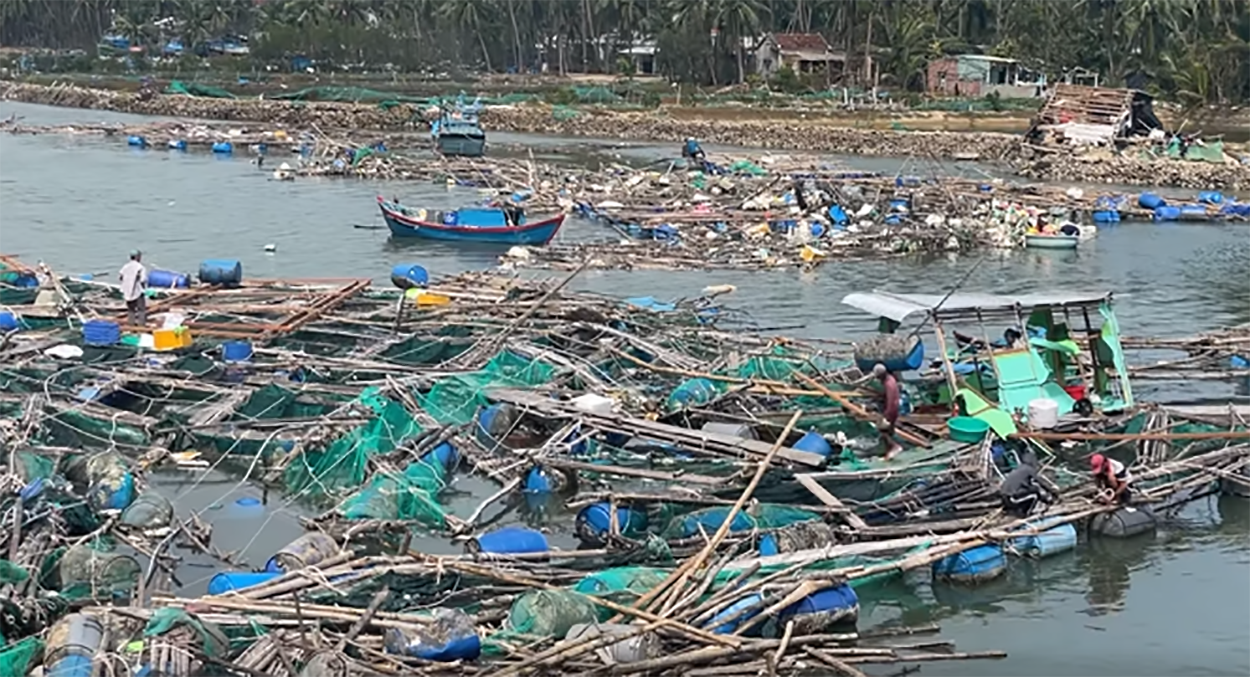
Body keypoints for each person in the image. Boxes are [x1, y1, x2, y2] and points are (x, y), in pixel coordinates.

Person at [999, 451, 1060, 517]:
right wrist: (1052, 491)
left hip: (1005, 498)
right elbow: (1041, 482)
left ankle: (1017, 510)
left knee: (1032, 488)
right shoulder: (1028, 469)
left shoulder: (1019, 468)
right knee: (1035, 492)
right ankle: (1025, 513)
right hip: (1012, 498)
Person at [873, 363, 904, 460]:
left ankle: (895, 447)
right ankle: (889, 452)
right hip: (893, 410)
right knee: (888, 431)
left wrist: (887, 415)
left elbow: (892, 402)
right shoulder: (890, 379)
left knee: (883, 430)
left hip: (891, 411)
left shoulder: (888, 384)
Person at [119, 250, 148, 327]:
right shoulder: (140, 267)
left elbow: (121, 277)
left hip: (127, 292)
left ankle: (130, 326)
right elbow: (142, 280)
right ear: (138, 257)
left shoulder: (125, 267)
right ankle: (141, 328)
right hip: (137, 291)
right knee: (141, 310)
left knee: (131, 311)